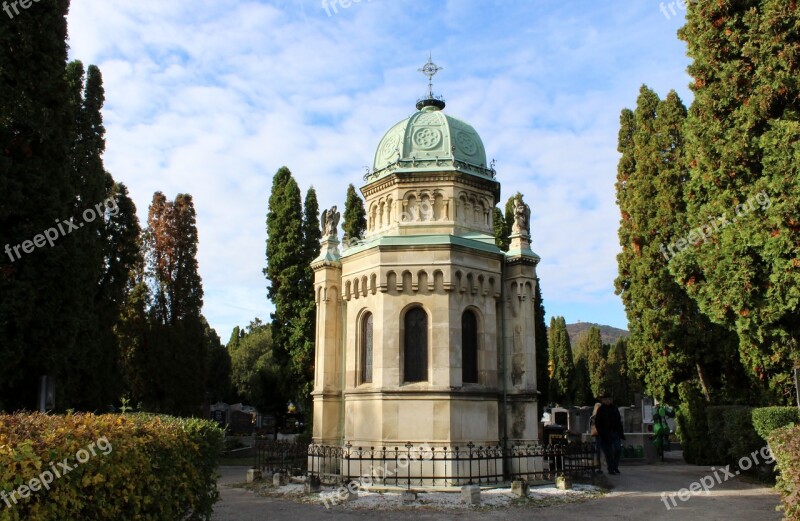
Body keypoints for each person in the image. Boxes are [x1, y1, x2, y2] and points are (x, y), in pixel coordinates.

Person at [595, 392, 625, 474]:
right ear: (603, 401)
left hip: (615, 432)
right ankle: (610, 468)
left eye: (609, 399)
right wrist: (602, 433)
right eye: (606, 399)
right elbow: (598, 423)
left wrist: (620, 432)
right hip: (605, 434)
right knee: (608, 452)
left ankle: (615, 466)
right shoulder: (601, 410)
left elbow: (618, 420)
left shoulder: (614, 408)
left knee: (618, 449)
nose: (608, 401)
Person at [589, 402, 603, 473]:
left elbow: (590, 426)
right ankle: (599, 465)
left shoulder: (593, 417)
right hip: (600, 434)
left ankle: (598, 465)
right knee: (599, 450)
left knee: (598, 450)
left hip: (598, 435)